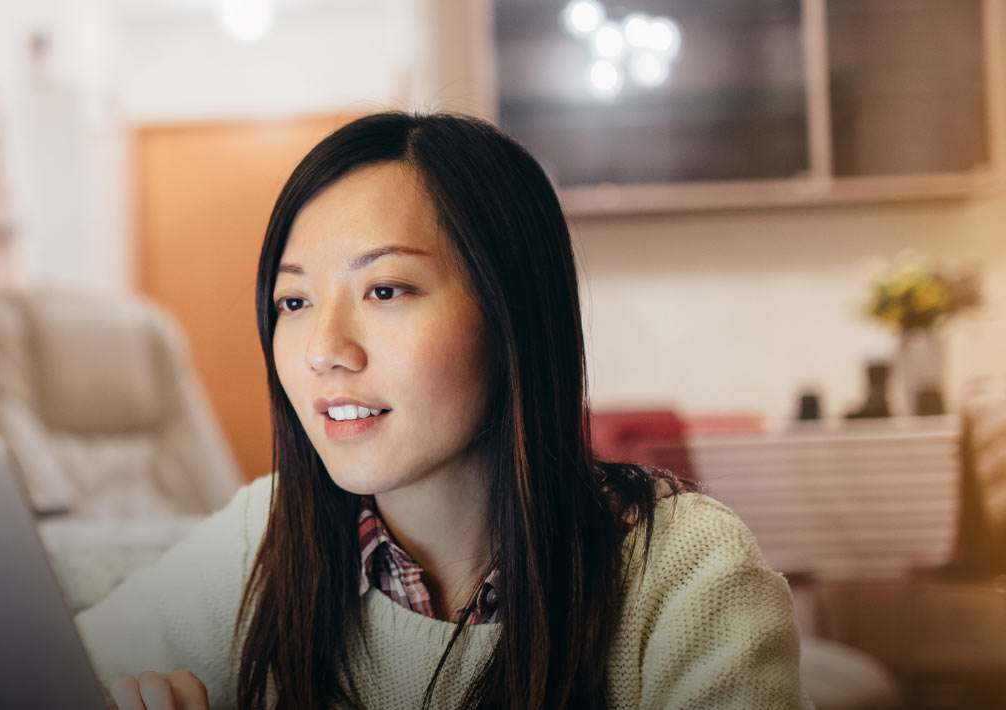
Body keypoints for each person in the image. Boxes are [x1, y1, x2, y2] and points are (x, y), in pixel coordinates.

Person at [76, 112, 806, 709]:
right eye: (293, 301)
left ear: (510, 310)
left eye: (386, 290)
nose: (324, 350)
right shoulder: (265, 536)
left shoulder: (683, 573)